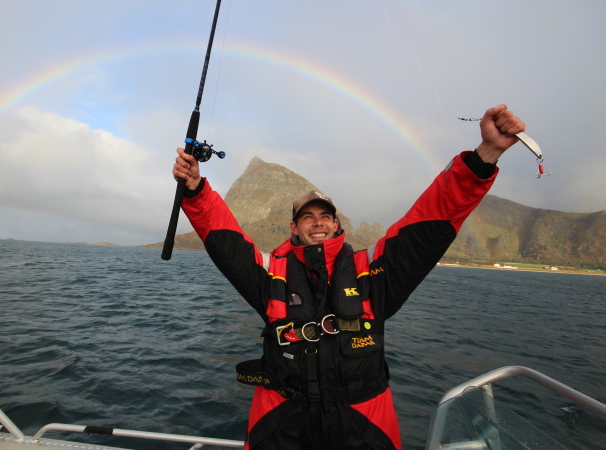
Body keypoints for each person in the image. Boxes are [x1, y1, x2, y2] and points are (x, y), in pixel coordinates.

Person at [171, 104, 526, 449]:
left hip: (362, 428)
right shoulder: (270, 274)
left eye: (325, 215)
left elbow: (428, 223)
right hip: (280, 425)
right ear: (294, 227)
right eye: (307, 217)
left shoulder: (373, 273)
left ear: (337, 224)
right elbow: (226, 242)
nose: (318, 222)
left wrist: (486, 154)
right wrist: (195, 190)